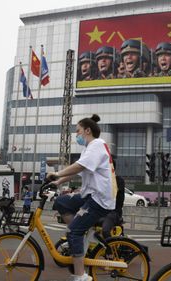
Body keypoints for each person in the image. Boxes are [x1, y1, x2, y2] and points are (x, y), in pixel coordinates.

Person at [48, 114, 116, 281]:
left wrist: (57, 173)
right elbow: (78, 170)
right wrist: (58, 182)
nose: (76, 135)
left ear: (87, 130)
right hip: (89, 195)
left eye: (78, 131)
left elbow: (79, 166)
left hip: (99, 199)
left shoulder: (97, 145)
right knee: (61, 202)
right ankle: (81, 233)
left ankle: (81, 276)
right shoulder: (89, 148)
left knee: (73, 232)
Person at [100, 159, 125, 239]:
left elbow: (112, 191)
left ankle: (109, 249)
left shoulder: (119, 180)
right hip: (102, 211)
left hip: (114, 212)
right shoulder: (102, 180)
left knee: (105, 231)